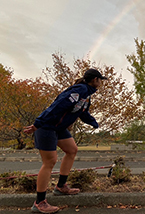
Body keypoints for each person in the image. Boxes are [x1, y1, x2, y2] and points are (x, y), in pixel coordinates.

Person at [23, 68, 107, 213]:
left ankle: (61, 187)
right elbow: (58, 105)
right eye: (100, 80)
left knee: (72, 150)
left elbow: (83, 112)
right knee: (49, 162)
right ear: (95, 80)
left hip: (58, 127)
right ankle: (39, 202)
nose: (101, 83)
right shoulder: (79, 90)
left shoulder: (86, 95)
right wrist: (38, 124)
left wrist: (94, 123)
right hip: (46, 126)